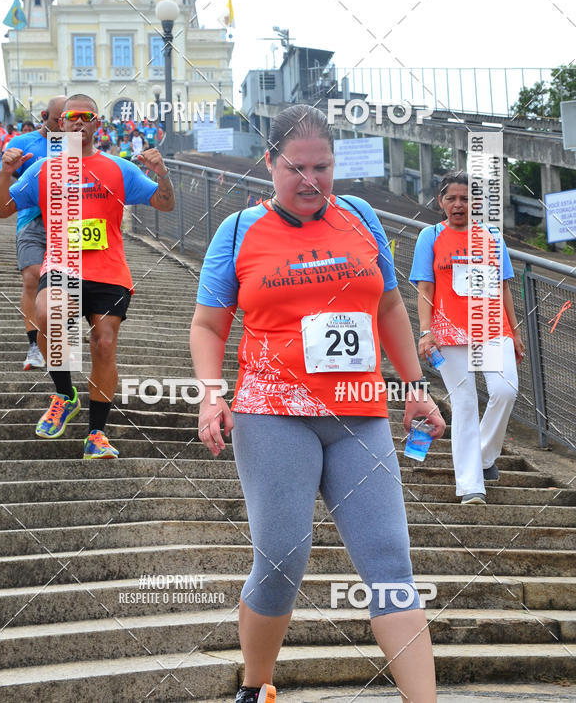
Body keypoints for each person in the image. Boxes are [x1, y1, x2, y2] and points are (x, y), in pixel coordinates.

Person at [190, 104, 445, 703]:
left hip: (359, 413)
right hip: (273, 413)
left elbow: (387, 307)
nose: (310, 181)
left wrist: (412, 389)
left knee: (390, 568)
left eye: (322, 168)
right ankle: (255, 686)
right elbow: (207, 325)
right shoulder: (236, 232)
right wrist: (209, 396)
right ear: (270, 164)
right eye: (295, 168)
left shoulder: (360, 218)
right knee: (280, 562)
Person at [0, 93, 175, 459]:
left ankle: (96, 434)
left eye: (86, 116)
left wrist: (163, 174)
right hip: (62, 264)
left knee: (103, 343)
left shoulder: (118, 168)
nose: (78, 122)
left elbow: (164, 203)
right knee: (47, 313)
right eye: (71, 117)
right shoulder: (43, 169)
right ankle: (65, 394)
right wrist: (3, 172)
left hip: (109, 269)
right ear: (61, 124)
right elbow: (0, 211)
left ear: (97, 124)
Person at [409, 170, 525, 504]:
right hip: (449, 334)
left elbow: (503, 286)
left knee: (506, 390)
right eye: (451, 198)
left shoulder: (492, 236)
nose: (458, 204)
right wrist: (425, 331)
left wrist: (515, 332)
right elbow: (425, 288)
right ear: (440, 201)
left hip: (493, 331)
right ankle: (471, 485)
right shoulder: (429, 236)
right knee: (464, 402)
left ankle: (485, 456)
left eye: (465, 198)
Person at [0, 97, 66, 369]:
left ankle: (57, 343)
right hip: (32, 219)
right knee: (32, 277)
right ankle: (35, 344)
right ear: (45, 115)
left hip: (70, 222)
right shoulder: (22, 143)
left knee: (62, 285)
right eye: (58, 118)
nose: (63, 124)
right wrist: (6, 171)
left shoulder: (79, 145)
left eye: (66, 119)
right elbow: (8, 188)